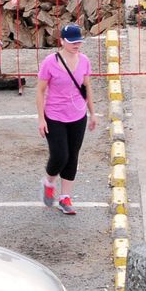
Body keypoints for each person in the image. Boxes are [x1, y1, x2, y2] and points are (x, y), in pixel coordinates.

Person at [36, 23, 97, 216]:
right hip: (54, 116)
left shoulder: (85, 61)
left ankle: (65, 198)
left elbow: (86, 87)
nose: (76, 45)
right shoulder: (50, 62)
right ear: (61, 41)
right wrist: (41, 119)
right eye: (72, 42)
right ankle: (49, 182)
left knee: (73, 156)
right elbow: (40, 90)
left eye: (78, 41)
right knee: (60, 155)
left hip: (78, 115)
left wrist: (93, 113)